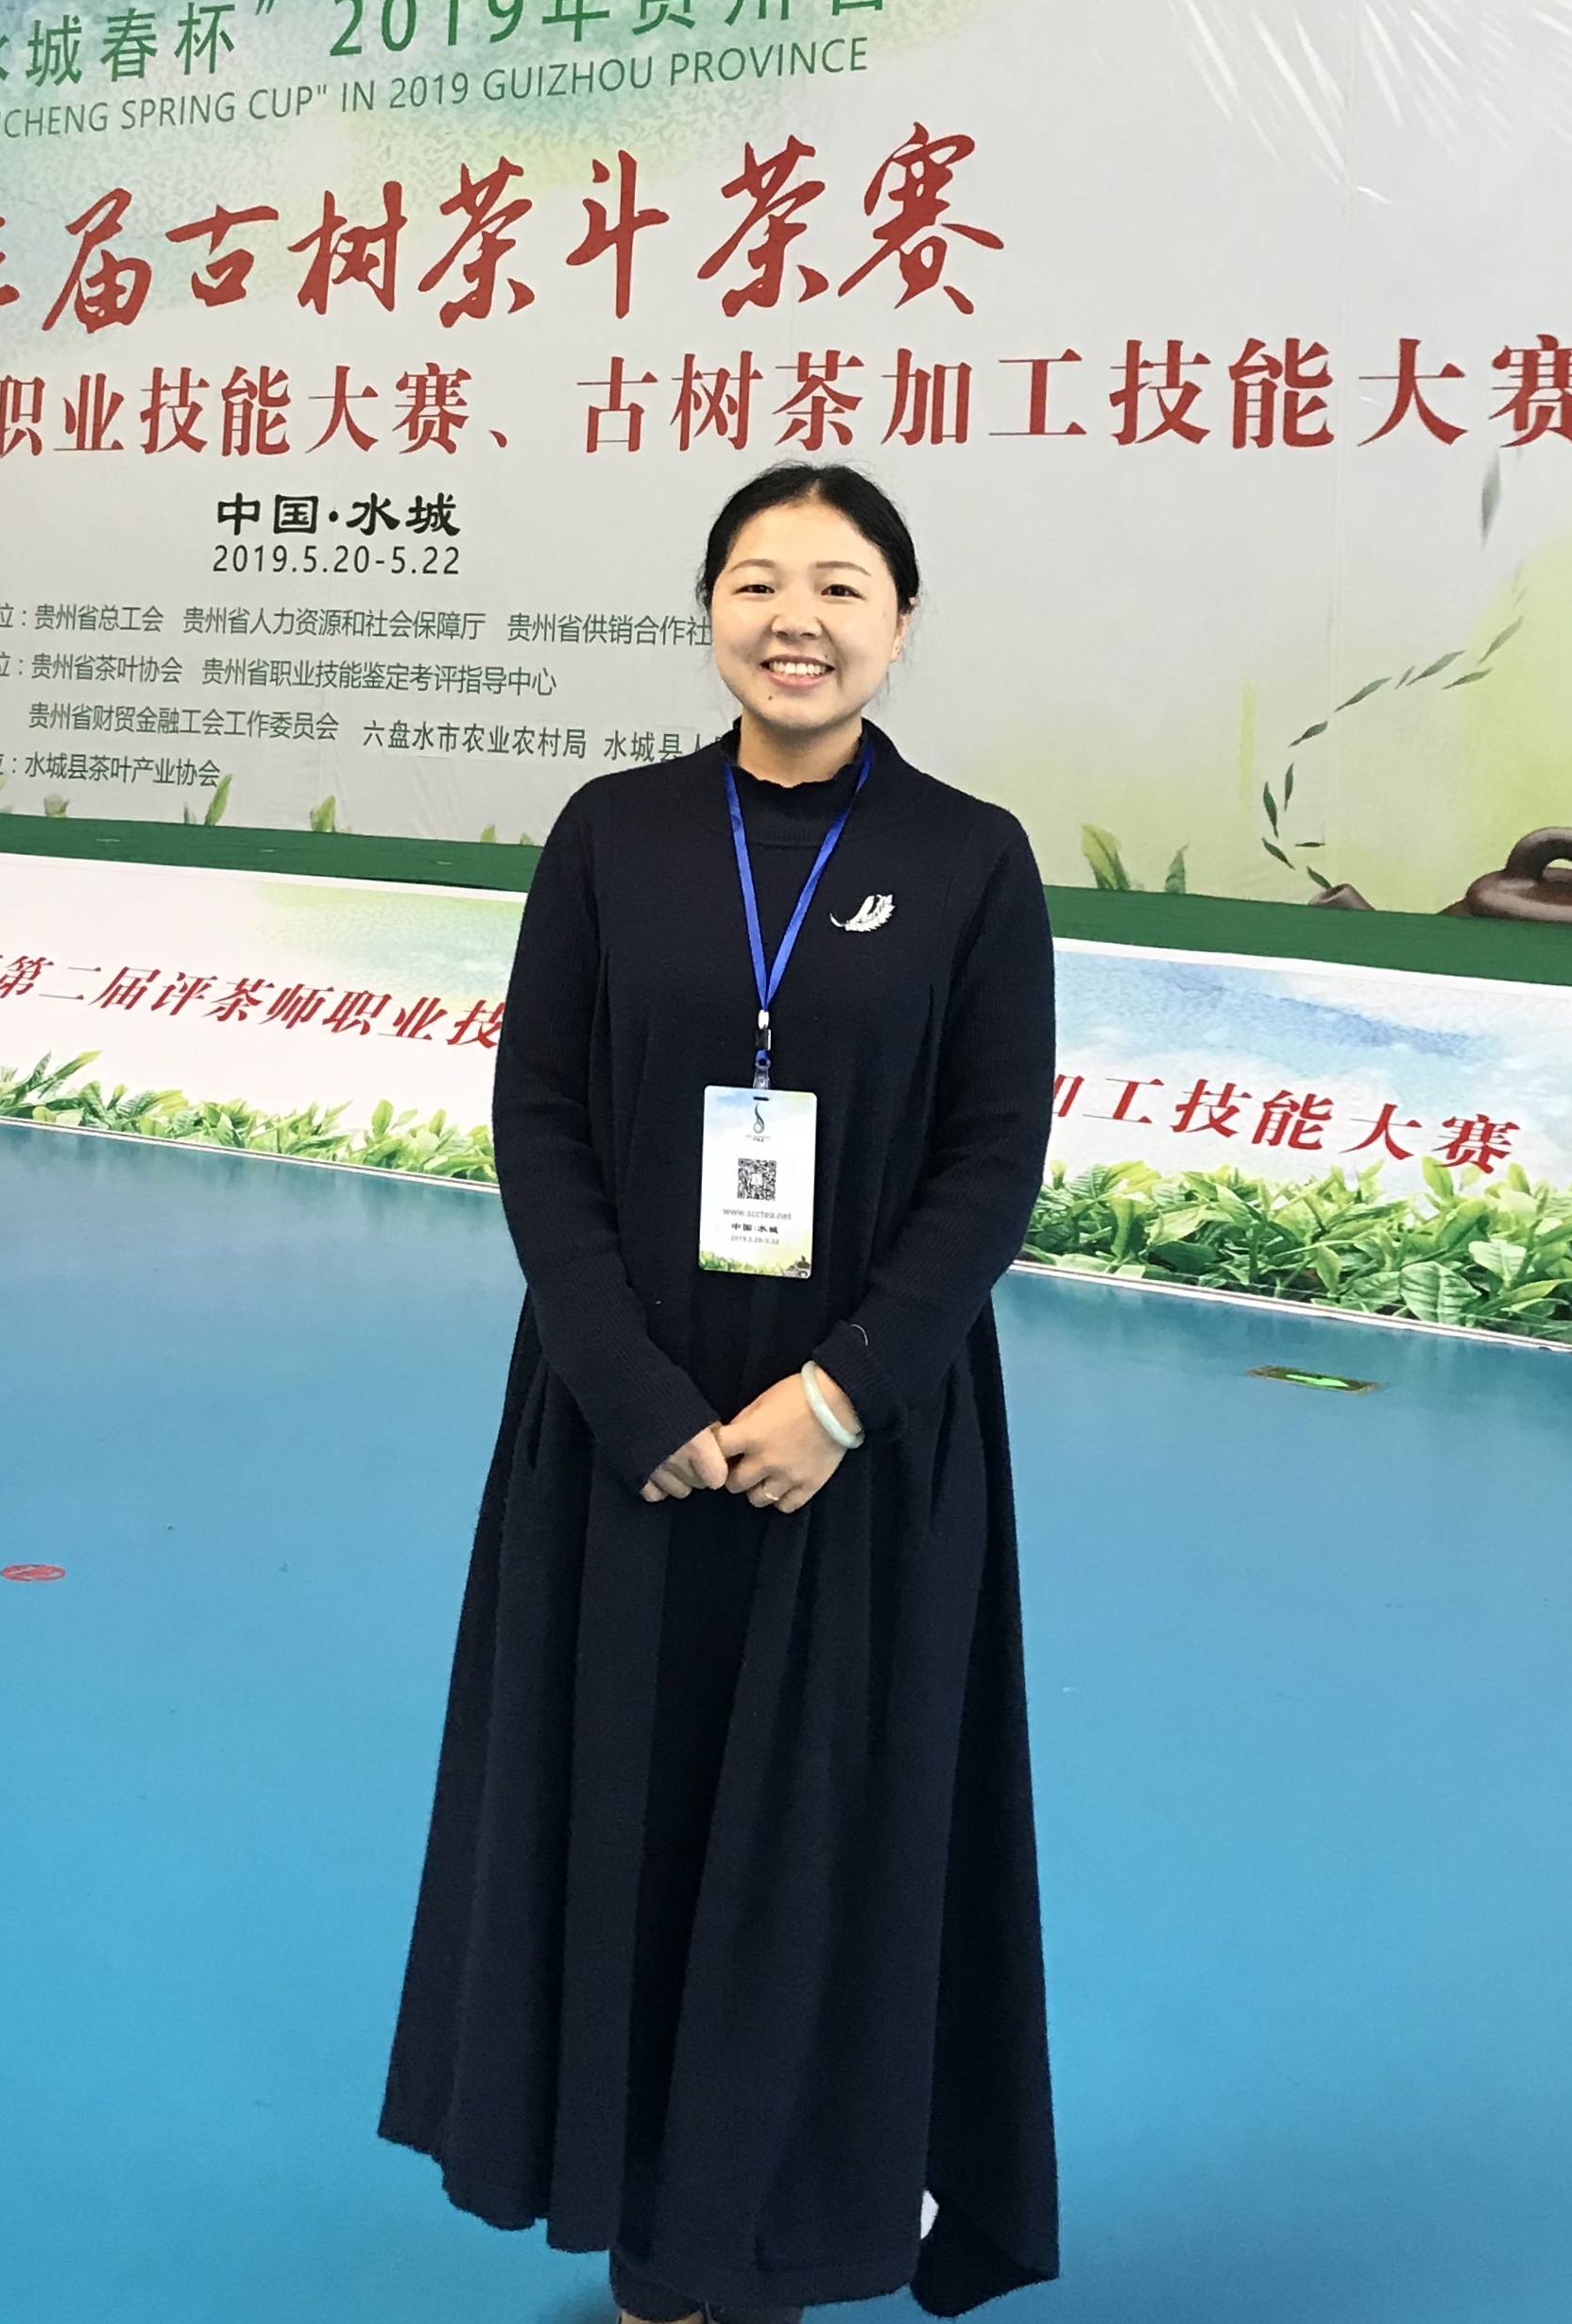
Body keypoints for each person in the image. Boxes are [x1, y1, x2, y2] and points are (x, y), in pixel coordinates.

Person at [381, 462, 1059, 2322]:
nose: (795, 618)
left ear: (898, 623)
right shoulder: (613, 834)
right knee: (632, 1818)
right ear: (707, 612)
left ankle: (773, 2236)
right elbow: (536, 1114)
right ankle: (647, 2229)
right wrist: (625, 1384)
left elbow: (992, 1158)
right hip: (628, 1428)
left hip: (865, 1446)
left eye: (839, 584)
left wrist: (842, 1395)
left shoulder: (970, 858)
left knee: (826, 1843)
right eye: (756, 579)